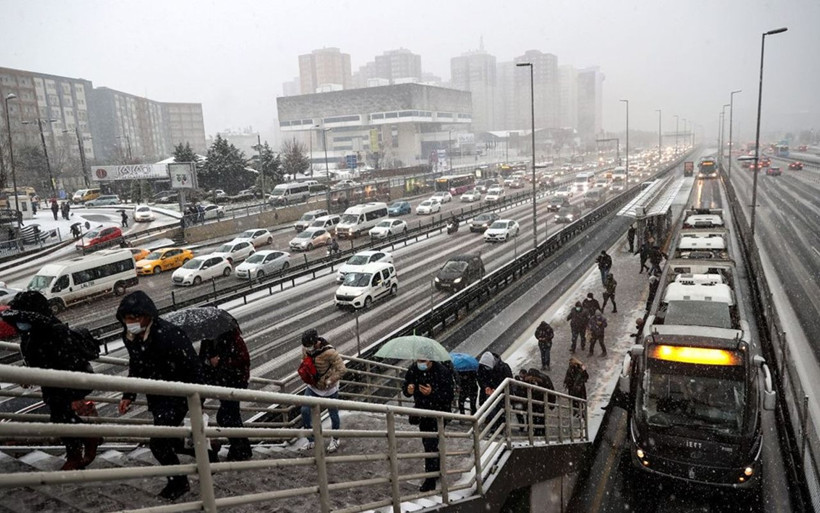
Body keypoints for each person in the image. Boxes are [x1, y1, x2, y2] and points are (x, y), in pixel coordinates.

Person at [116, 291, 203, 501]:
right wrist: (129, 394)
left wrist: (195, 397)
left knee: (158, 443)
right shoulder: (130, 337)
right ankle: (207, 452)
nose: (131, 322)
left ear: (148, 315)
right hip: (156, 397)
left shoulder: (169, 335)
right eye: (127, 318)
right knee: (171, 442)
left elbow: (192, 366)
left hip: (178, 396)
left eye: (136, 317)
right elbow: (136, 365)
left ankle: (179, 482)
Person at [3, 291, 101, 471]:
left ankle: (83, 445)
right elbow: (38, 357)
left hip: (65, 383)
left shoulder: (53, 332)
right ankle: (78, 452)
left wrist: (75, 396)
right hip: (53, 383)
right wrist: (30, 373)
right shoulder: (33, 330)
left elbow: (65, 361)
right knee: (61, 419)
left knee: (61, 419)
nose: (19, 324)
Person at [402, 351, 454, 493]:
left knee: (430, 445)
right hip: (422, 412)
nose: (421, 363)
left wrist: (432, 392)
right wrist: (408, 390)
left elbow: (449, 395)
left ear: (431, 360)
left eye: (423, 360)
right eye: (419, 360)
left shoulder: (442, 372)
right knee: (428, 443)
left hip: (438, 414)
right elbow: (406, 387)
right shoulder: (413, 369)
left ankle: (430, 479)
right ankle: (436, 468)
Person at [199, 327, 253, 462]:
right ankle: (241, 449)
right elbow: (201, 364)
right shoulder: (207, 342)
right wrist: (210, 362)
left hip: (234, 383)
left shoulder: (233, 339)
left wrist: (221, 361)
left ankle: (241, 448)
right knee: (231, 416)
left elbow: (243, 360)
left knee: (226, 416)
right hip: (221, 383)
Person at [299, 329, 346, 453]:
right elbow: (304, 360)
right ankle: (311, 439)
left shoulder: (329, 352)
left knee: (333, 414)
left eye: (309, 346)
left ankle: (335, 438)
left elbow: (342, 369)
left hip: (329, 388)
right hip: (313, 386)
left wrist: (330, 380)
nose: (307, 349)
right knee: (304, 410)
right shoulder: (306, 349)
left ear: (316, 342)